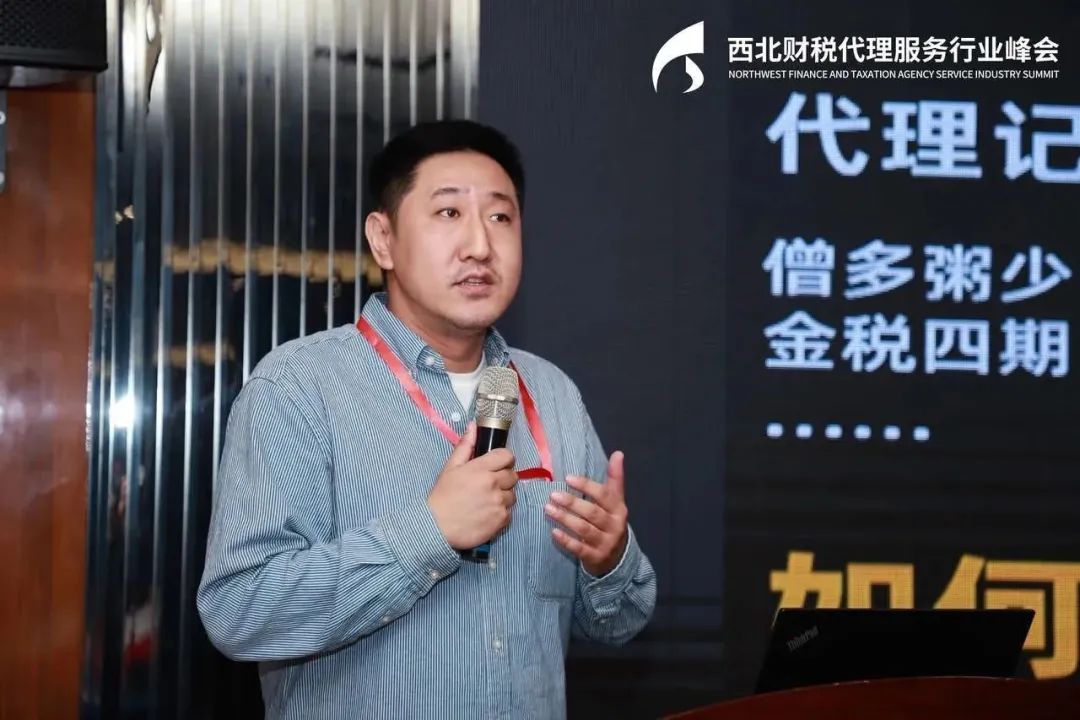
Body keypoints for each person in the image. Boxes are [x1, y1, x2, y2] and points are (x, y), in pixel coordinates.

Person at [197, 119, 657, 719]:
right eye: (448, 213)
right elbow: (239, 612)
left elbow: (620, 621)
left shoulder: (551, 393)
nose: (480, 245)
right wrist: (430, 531)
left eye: (501, 216)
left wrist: (608, 558)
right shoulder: (301, 386)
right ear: (383, 239)